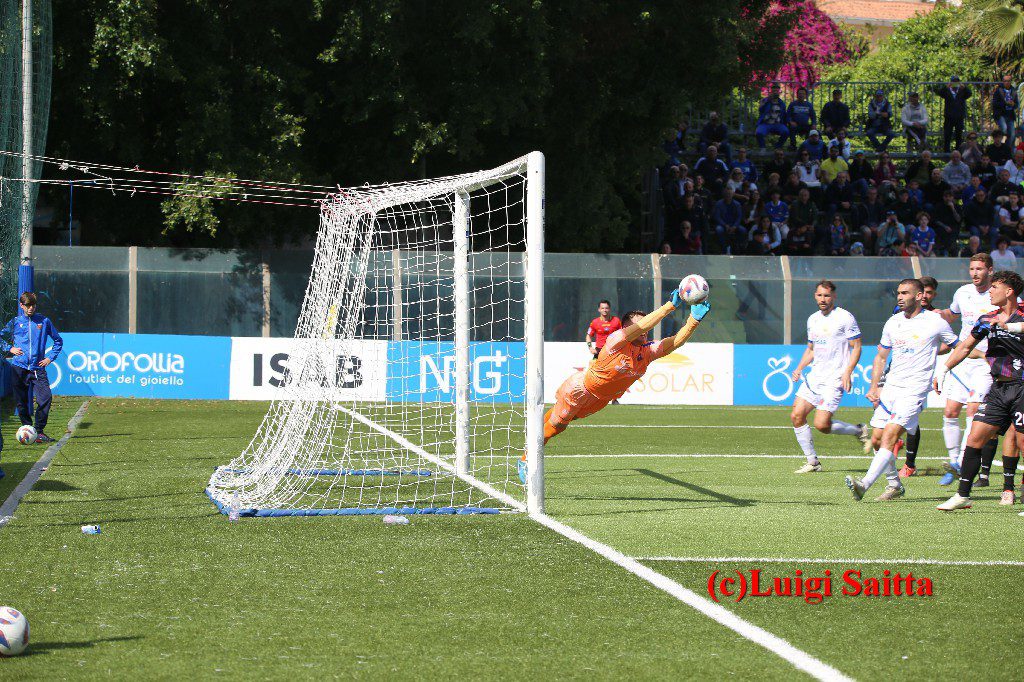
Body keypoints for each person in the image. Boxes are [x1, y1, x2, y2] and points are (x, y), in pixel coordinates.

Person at [521, 294, 712, 481]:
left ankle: (535, 431)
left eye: (644, 325)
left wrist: (693, 320)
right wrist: (670, 305)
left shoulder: (646, 352)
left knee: (559, 419)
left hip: (600, 401)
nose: (643, 330)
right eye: (638, 325)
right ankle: (526, 459)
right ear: (626, 328)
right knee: (557, 426)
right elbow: (644, 325)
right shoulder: (616, 341)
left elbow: (674, 343)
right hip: (580, 390)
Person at [848, 279, 957, 502]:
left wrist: (983, 357)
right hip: (891, 389)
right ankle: (894, 485)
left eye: (905, 293)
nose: (899, 296)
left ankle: (864, 485)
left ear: (919, 296)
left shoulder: (935, 322)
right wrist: (873, 386)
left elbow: (959, 346)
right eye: (898, 293)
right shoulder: (893, 322)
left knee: (889, 436)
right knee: (877, 439)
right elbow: (880, 356)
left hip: (914, 390)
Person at [935, 270, 1024, 510]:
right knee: (975, 438)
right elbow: (965, 347)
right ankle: (963, 495)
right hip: (998, 388)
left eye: (995, 287)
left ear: (1009, 291)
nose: (990, 291)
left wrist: (1011, 326)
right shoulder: (987, 319)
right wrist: (944, 369)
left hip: (1022, 387)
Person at [788, 280, 868, 473]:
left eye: (826, 296)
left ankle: (858, 430)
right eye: (819, 295)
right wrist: (799, 367)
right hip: (815, 377)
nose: (823, 299)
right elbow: (811, 349)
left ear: (834, 297)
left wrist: (848, 371)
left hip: (835, 378)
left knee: (822, 425)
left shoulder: (844, 318)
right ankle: (813, 462)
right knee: (796, 416)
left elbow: (856, 346)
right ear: (815, 296)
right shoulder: (813, 319)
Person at [936, 255, 999, 487]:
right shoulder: (962, 293)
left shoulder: (999, 294)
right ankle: (953, 462)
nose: (974, 273)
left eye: (979, 269)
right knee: (951, 411)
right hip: (963, 358)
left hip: (986, 361)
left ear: (990, 271)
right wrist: (937, 314)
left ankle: (963, 461)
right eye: (972, 269)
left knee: (973, 409)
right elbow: (952, 314)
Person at [0, 292, 64, 445]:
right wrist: (10, 348)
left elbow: (58, 341)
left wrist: (50, 358)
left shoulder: (44, 321)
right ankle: (27, 429)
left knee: (45, 397)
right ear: (22, 306)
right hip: (18, 367)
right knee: (21, 402)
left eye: (33, 305)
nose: (31, 308)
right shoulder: (15, 322)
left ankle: (39, 431)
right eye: (28, 305)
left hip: (37, 368)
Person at [898, 276, 940, 477]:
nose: (926, 296)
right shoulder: (899, 314)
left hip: (919, 375)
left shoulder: (935, 318)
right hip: (898, 371)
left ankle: (909, 463)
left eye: (930, 293)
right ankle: (895, 442)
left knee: (910, 419)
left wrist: (931, 355)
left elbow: (952, 345)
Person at [934, 76, 972, 153]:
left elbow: (969, 94)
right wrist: (946, 87)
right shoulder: (947, 91)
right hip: (949, 116)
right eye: (954, 82)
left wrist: (964, 87)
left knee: (959, 135)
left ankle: (958, 151)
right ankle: (946, 151)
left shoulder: (962, 91)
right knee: (947, 134)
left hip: (959, 116)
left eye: (956, 82)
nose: (955, 84)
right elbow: (940, 93)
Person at [713, 187, 745, 255]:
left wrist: (734, 226)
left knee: (743, 230)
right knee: (718, 230)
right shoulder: (718, 204)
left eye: (730, 194)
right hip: (723, 224)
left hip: (734, 224)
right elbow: (717, 217)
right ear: (724, 194)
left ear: (733, 194)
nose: (728, 195)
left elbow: (739, 217)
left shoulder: (737, 204)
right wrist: (725, 225)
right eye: (727, 194)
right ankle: (724, 247)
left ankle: (737, 247)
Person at [756, 84, 789, 149]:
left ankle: (778, 147)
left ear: (779, 92)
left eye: (777, 91)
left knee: (786, 132)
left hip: (778, 124)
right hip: (765, 124)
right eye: (774, 91)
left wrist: (787, 123)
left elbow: (784, 115)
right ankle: (763, 148)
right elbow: (760, 110)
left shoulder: (782, 103)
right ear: (771, 92)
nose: (775, 93)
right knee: (759, 132)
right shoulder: (765, 100)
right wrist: (767, 100)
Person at [992, 74, 1020, 148]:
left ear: (1010, 81)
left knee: (1012, 134)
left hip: (1010, 115)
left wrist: (1013, 104)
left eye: (1008, 81)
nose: (1006, 82)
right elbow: (994, 103)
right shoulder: (998, 91)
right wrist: (1005, 103)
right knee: (1004, 129)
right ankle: (998, 145)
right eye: (1004, 81)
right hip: (1000, 114)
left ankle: (1007, 148)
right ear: (1003, 82)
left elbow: (1017, 104)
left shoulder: (1013, 91)